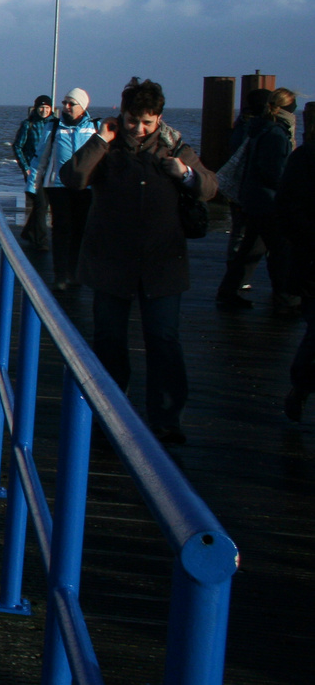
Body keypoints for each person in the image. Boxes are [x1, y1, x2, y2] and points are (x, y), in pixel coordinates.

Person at [61, 78, 217, 445]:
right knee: (109, 340)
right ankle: (110, 414)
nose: (139, 128)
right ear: (122, 113)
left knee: (163, 339)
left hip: (162, 265)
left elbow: (210, 188)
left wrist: (186, 174)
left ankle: (166, 419)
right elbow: (73, 178)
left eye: (147, 122)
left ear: (159, 118)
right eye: (133, 120)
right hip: (110, 263)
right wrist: (101, 140)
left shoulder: (175, 148)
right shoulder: (107, 148)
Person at [219, 88, 299, 315]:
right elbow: (273, 171)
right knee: (280, 252)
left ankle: (228, 291)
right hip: (269, 202)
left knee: (249, 249)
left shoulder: (261, 129)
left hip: (255, 199)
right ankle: (286, 299)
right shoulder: (276, 134)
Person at [31, 87, 99, 290]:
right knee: (61, 230)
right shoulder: (53, 127)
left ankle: (75, 273)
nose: (66, 107)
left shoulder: (95, 127)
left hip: (85, 187)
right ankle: (60, 275)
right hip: (57, 186)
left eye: (71, 104)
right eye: (65, 103)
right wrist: (33, 185)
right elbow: (41, 157)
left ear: (83, 106)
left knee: (80, 230)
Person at [278, 101, 315, 421]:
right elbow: (288, 211)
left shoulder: (301, 158)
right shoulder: (304, 159)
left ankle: (300, 387)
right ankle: (300, 387)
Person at [13, 95, 56, 250]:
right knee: (41, 204)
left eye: (47, 108)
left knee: (42, 205)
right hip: (34, 171)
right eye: (41, 107)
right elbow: (17, 146)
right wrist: (25, 167)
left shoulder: (55, 124)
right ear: (35, 108)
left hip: (50, 169)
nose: (44, 110)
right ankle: (41, 240)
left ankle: (28, 232)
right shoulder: (28, 124)